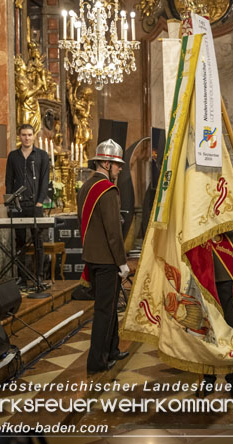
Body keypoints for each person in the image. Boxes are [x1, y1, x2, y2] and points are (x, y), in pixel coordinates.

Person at [77, 139, 131, 374]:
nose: (120, 168)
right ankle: (97, 362)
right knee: (104, 311)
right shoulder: (108, 190)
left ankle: (113, 349)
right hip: (108, 260)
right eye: (117, 165)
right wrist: (122, 263)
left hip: (92, 256)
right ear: (106, 164)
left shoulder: (85, 187)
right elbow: (113, 232)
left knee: (108, 308)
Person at [5, 124, 50, 285]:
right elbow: (9, 180)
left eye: (29, 135)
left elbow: (45, 180)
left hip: (35, 204)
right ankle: (22, 277)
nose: (27, 137)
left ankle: (39, 276)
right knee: (20, 242)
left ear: (34, 136)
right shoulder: (13, 156)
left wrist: (39, 202)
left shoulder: (42, 156)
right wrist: (10, 202)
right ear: (19, 136)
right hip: (17, 206)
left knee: (38, 241)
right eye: (24, 135)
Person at [202, 230, 233, 399]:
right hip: (202, 269)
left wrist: (209, 221)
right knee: (205, 328)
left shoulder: (231, 201)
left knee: (231, 328)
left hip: (226, 268)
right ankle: (207, 377)